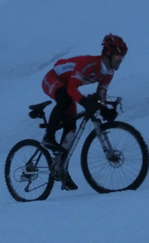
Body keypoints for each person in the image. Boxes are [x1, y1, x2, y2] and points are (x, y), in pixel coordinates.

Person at [41, 34, 128, 190]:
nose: (120, 61)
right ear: (108, 54)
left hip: (67, 86)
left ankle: (61, 168)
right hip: (52, 79)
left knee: (71, 129)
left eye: (122, 58)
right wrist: (85, 102)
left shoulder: (109, 73)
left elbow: (101, 94)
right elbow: (71, 88)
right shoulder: (89, 63)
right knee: (67, 99)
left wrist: (105, 109)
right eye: (117, 57)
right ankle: (49, 136)